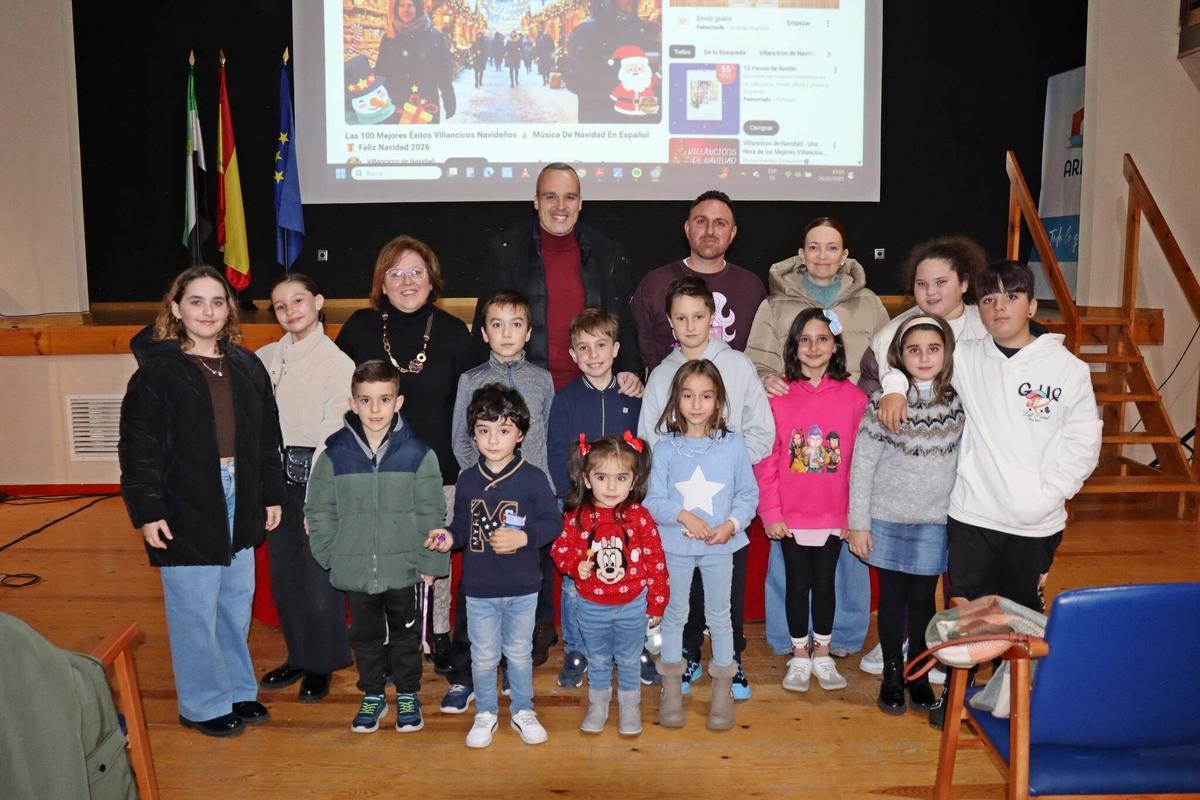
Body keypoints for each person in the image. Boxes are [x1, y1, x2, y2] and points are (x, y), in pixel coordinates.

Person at [923, 260, 1101, 728]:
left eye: (1010, 296)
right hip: (973, 512)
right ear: (978, 308)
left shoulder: (1067, 370)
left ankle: (1011, 695)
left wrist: (1049, 494)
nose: (998, 307)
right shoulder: (966, 356)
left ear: (1031, 304)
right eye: (987, 299)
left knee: (1019, 615)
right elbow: (904, 355)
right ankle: (955, 692)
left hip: (1034, 520)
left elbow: (1083, 445)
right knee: (968, 611)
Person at [119, 265, 284, 738]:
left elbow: (267, 437)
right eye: (196, 301)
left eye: (217, 302)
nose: (208, 311)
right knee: (194, 606)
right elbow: (138, 446)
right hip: (186, 499)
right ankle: (201, 703)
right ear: (176, 309)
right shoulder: (159, 372)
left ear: (229, 309)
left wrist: (270, 494)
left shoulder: (247, 365)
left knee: (234, 601)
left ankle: (235, 689)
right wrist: (148, 510)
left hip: (242, 493)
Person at [336, 235, 482, 679]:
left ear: (432, 279)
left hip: (441, 468)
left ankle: (437, 634)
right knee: (389, 552)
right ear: (382, 281)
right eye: (395, 272)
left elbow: (474, 404)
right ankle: (390, 634)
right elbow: (337, 400)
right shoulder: (359, 328)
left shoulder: (455, 332)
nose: (406, 281)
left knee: (436, 551)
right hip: (377, 469)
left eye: (416, 271)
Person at [745, 216, 888, 660]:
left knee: (846, 556)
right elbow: (756, 360)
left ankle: (841, 637)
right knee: (788, 561)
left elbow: (888, 363)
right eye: (813, 247)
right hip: (793, 430)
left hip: (847, 433)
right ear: (801, 253)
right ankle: (787, 639)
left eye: (832, 247)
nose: (822, 255)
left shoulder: (869, 304)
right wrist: (770, 381)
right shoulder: (774, 304)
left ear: (845, 255)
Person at [855, 234, 987, 677]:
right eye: (921, 283)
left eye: (942, 282)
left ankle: (946, 648)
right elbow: (875, 385)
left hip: (965, 475)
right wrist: (892, 387)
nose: (930, 292)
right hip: (903, 483)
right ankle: (902, 644)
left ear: (965, 283)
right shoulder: (896, 331)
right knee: (902, 583)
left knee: (954, 576)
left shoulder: (983, 328)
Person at [637, 275, 773, 698]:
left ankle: (731, 664)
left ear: (712, 318)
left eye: (698, 316)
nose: (691, 325)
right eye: (681, 318)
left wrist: (724, 468)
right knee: (684, 597)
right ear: (671, 323)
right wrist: (679, 485)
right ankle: (689, 653)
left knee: (724, 597)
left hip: (725, 507)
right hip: (678, 514)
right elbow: (649, 442)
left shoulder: (737, 365)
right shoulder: (662, 375)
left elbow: (761, 431)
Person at [305, 360, 449, 734]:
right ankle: (372, 693)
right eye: (365, 400)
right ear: (352, 403)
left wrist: (432, 561)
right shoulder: (333, 454)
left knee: (405, 636)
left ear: (398, 402)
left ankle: (406, 692)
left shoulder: (419, 454)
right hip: (354, 570)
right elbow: (318, 509)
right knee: (365, 638)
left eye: (384, 399)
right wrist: (330, 554)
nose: (374, 410)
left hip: (404, 568)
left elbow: (433, 511)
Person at [425, 385, 562, 748]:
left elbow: (552, 523)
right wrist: (446, 538)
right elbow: (460, 530)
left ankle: (522, 709)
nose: (493, 439)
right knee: (483, 655)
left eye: (503, 430)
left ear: (520, 434)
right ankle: (485, 712)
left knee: (519, 653)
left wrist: (525, 538)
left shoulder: (533, 478)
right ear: (474, 434)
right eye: (484, 430)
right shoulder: (468, 479)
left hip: (522, 587)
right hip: (480, 589)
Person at [846, 316, 964, 714]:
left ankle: (917, 672)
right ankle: (893, 674)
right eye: (914, 350)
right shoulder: (884, 402)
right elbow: (861, 466)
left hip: (934, 521)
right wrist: (858, 523)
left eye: (933, 349)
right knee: (893, 598)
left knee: (923, 600)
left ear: (947, 352)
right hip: (887, 518)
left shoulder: (957, 402)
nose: (925, 357)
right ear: (900, 355)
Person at [754, 308, 868, 694]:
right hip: (790, 516)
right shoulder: (778, 397)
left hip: (835, 516)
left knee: (825, 585)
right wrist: (770, 511)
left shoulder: (854, 399)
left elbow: (859, 464)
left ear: (835, 345)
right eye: (805, 339)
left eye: (822, 339)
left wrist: (855, 516)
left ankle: (823, 653)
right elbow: (767, 458)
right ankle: (799, 655)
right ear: (793, 347)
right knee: (796, 584)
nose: (814, 347)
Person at [255, 274, 354, 703]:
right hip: (277, 483)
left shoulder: (337, 363)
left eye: (299, 300)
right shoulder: (265, 357)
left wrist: (317, 501)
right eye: (280, 305)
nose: (291, 310)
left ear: (318, 301)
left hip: (318, 481)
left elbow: (332, 435)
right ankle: (297, 655)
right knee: (285, 578)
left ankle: (322, 662)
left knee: (318, 582)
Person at [644, 360, 758, 731]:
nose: (697, 404)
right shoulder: (664, 449)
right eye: (688, 395)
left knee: (720, 616)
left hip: (720, 548)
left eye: (706, 396)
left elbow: (747, 495)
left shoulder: (733, 445)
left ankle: (722, 690)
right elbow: (652, 501)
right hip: (676, 547)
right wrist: (682, 516)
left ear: (718, 400)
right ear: (676, 400)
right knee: (675, 615)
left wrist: (730, 524)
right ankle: (673, 689)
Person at [474, 162, 643, 392]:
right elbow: (484, 325)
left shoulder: (606, 252)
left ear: (580, 203)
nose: (560, 206)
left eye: (570, 197)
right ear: (536, 202)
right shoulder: (506, 251)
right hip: (524, 392)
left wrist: (631, 369)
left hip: (591, 389)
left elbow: (622, 320)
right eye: (551, 196)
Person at [546, 308, 642, 688]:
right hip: (578, 507)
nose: (593, 354)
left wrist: (635, 497)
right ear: (572, 355)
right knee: (576, 580)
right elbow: (556, 451)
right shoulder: (566, 399)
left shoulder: (633, 394)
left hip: (627, 507)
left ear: (616, 349)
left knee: (631, 572)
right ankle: (577, 649)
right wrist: (572, 498)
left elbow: (645, 447)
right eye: (583, 348)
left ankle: (634, 649)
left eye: (601, 345)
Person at [551, 433, 667, 736]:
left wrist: (657, 602)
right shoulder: (577, 516)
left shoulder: (640, 517)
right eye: (602, 477)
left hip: (632, 605)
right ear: (587, 479)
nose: (612, 487)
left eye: (621, 477)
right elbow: (559, 550)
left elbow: (655, 560)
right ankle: (598, 705)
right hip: (591, 606)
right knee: (599, 659)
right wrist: (578, 565)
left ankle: (630, 707)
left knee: (629, 659)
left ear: (634, 479)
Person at [630, 190, 766, 373]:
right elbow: (637, 345)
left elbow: (762, 352)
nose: (710, 231)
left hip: (735, 396)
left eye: (720, 223)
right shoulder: (655, 283)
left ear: (732, 233)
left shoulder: (751, 287)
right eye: (701, 221)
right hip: (670, 394)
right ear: (687, 228)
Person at [452, 290, 554, 479]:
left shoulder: (543, 379)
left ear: (528, 332)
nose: (506, 333)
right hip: (488, 487)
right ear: (484, 333)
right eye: (497, 325)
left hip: (534, 486)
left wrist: (547, 482)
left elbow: (550, 436)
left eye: (516, 324)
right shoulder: (470, 380)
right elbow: (461, 441)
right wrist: (478, 475)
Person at [564, 0, 661, 123]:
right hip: (602, 123)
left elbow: (652, 83)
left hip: (637, 127)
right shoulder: (586, 32)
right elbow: (575, 81)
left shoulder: (641, 30)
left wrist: (650, 116)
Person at [374, 0, 455, 123]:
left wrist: (449, 99)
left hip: (424, 104)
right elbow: (380, 71)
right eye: (401, 5)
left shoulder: (434, 37)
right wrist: (376, 99)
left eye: (410, 5)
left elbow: (443, 72)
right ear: (396, 8)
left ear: (417, 7)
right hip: (395, 105)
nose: (405, 10)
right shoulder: (389, 37)